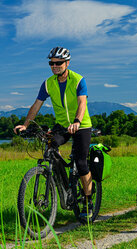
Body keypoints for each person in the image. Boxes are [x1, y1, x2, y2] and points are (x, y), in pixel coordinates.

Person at [14, 46, 94, 217]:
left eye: (58, 63)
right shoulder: (48, 83)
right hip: (62, 125)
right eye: (51, 63)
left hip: (82, 125)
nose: (54, 66)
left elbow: (82, 103)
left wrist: (77, 121)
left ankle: (88, 201)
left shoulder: (78, 80)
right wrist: (26, 125)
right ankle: (63, 183)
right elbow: (36, 105)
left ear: (67, 63)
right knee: (50, 146)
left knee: (81, 163)